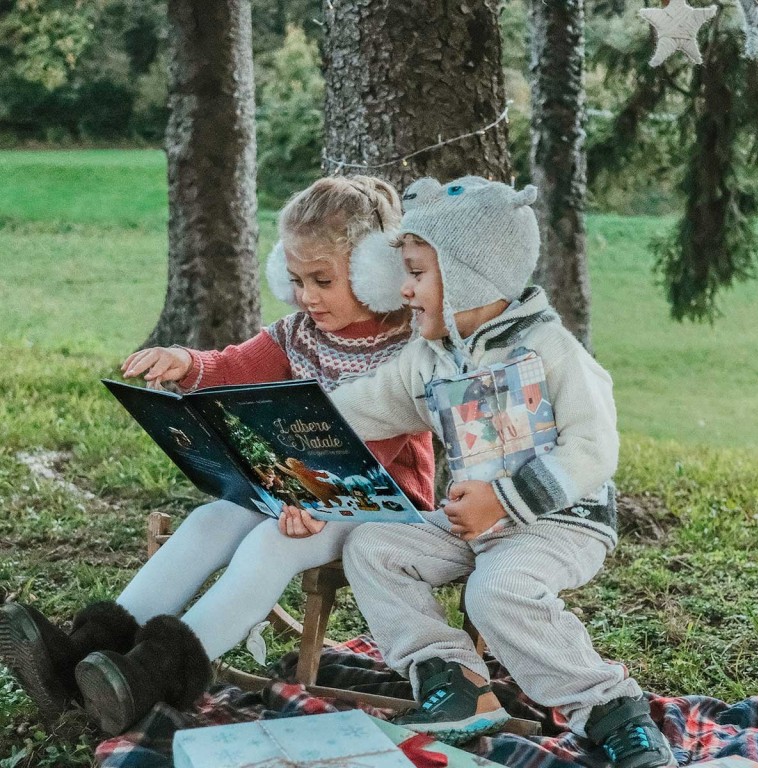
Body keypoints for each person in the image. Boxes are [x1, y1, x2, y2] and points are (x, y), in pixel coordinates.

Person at [0, 175, 435, 737]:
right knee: (210, 519)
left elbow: (374, 449)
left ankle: (155, 675)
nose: (307, 296)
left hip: (378, 508)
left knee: (269, 544)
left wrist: (317, 496)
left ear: (375, 272)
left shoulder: (410, 349)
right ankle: (83, 655)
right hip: (295, 492)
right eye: (296, 279)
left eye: (323, 281)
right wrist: (186, 363)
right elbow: (232, 364)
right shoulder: (299, 331)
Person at [329, 176, 676, 768]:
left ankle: (613, 708)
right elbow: (359, 407)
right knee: (374, 546)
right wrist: (285, 420)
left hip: (558, 522)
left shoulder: (548, 348)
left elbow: (593, 449)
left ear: (469, 276)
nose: (404, 291)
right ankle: (455, 684)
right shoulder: (429, 357)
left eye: (417, 274)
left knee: (498, 592)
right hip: (473, 526)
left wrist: (507, 502)